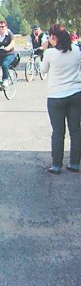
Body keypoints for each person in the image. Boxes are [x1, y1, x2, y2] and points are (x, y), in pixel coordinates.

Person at [40, 24, 81, 174]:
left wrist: (43, 51)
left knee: (58, 131)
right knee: (76, 130)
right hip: (76, 94)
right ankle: (75, 163)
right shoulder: (76, 50)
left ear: (53, 37)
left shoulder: (50, 53)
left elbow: (42, 71)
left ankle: (57, 165)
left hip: (56, 96)